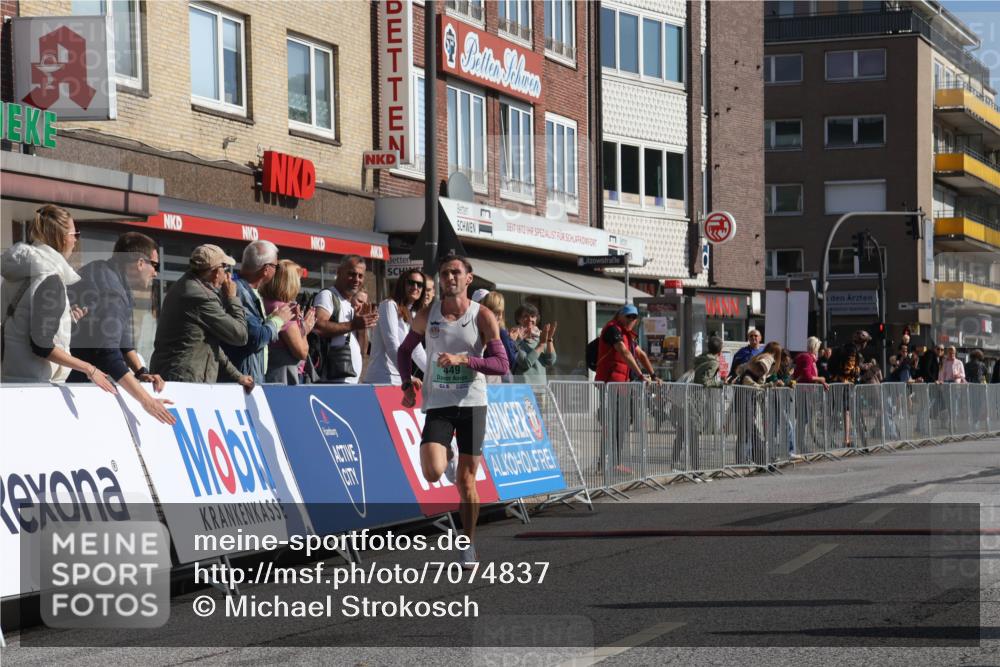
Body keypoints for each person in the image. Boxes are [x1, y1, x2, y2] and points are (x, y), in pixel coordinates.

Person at [396, 254, 509, 569]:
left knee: (468, 482)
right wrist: (407, 383)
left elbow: (502, 364)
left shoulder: (482, 316)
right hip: (439, 404)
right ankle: (451, 460)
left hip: (472, 404)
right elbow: (405, 350)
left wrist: (465, 360)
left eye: (456, 272)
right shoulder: (427, 314)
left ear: (468, 279)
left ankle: (468, 544)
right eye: (444, 273)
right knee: (432, 471)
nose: (450, 278)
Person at [1, 205, 116, 393]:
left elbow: (18, 324)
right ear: (63, 238)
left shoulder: (15, 273)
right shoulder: (50, 277)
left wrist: (65, 321)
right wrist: (89, 368)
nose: (75, 241)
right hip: (38, 386)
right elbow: (41, 345)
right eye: (75, 234)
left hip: (10, 380)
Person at [67, 231, 175, 424]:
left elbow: (121, 340)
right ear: (140, 263)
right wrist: (147, 401)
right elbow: (109, 354)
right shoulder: (113, 293)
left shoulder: (101, 270)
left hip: (68, 376)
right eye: (155, 265)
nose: (156, 273)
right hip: (76, 386)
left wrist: (140, 371)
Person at [149, 244, 252, 388]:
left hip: (178, 375)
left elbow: (210, 343)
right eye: (226, 269)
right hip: (184, 381)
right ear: (216, 272)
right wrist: (232, 298)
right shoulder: (201, 296)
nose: (227, 275)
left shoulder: (187, 286)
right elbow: (240, 335)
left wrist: (237, 376)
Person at [596, 304, 658, 474]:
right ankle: (607, 463)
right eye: (628, 316)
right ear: (620, 316)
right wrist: (640, 375)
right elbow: (624, 353)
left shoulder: (628, 335)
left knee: (621, 424)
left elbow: (641, 355)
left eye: (634, 317)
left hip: (622, 385)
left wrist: (653, 375)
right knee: (612, 424)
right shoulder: (612, 330)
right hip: (610, 383)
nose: (631, 320)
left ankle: (612, 463)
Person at [219, 241, 292, 385]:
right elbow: (255, 338)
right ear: (266, 269)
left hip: (248, 377)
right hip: (243, 381)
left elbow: (253, 329)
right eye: (276, 267)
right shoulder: (239, 292)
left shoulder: (248, 291)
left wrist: (271, 319)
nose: (276, 271)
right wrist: (278, 320)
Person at [312, 255, 379, 384]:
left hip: (349, 380)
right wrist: (354, 324)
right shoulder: (328, 296)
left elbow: (362, 351)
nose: (356, 279)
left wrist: (362, 326)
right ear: (339, 273)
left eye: (360, 276)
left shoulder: (349, 304)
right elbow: (319, 326)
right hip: (331, 381)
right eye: (352, 274)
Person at [364, 270, 427, 385]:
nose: (415, 287)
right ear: (402, 284)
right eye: (411, 283)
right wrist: (408, 376)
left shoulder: (411, 314)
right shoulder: (388, 305)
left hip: (399, 380)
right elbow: (391, 344)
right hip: (382, 379)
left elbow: (417, 351)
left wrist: (434, 375)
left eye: (420, 284)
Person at [261, 260, 316, 385]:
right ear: (290, 283)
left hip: (272, 373)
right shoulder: (283, 309)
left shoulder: (265, 302)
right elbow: (302, 352)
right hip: (284, 376)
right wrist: (305, 329)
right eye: (298, 281)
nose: (299, 286)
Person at [476, 290, 517, 384]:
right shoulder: (500, 332)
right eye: (497, 312)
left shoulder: (476, 327)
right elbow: (510, 360)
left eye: (501, 312)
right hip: (493, 379)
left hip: (482, 376)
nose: (500, 316)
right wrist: (511, 342)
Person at [510, 303, 557, 385]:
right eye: (525, 316)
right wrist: (541, 344)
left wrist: (549, 339)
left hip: (541, 388)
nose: (530, 319)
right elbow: (525, 363)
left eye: (532, 316)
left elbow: (551, 360)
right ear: (518, 319)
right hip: (523, 388)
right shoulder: (514, 337)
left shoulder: (540, 335)